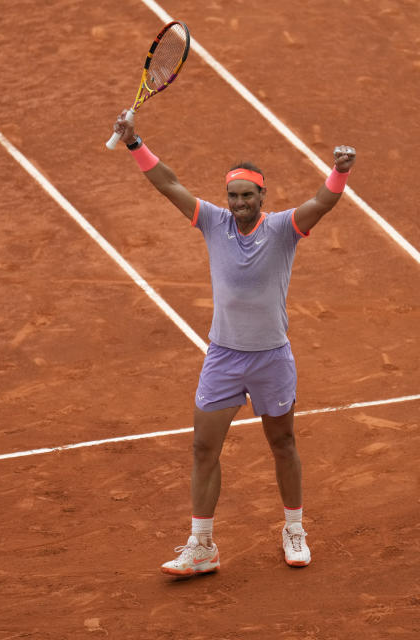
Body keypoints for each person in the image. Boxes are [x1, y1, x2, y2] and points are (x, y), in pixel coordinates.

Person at [111, 110, 356, 576]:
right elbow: (168, 183)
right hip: (223, 356)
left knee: (282, 443)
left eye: (248, 195)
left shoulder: (284, 228)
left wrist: (339, 172)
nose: (240, 202)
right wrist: (134, 141)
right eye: (233, 195)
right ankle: (202, 546)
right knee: (204, 448)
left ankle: (294, 529)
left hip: (271, 358)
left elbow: (322, 203)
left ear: (262, 196)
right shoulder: (213, 221)